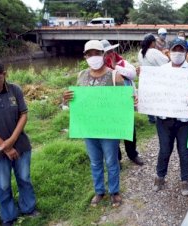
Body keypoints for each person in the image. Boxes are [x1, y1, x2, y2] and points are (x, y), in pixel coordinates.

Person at [63, 40, 125, 208]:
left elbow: (123, 103)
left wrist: (130, 101)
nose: (93, 57)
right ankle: (99, 191)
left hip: (109, 128)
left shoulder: (114, 75)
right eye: (89, 54)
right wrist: (67, 99)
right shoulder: (81, 75)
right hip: (89, 127)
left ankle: (114, 191)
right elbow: (76, 101)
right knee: (95, 161)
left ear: (103, 54)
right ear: (85, 56)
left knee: (111, 161)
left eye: (96, 53)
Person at [0, 58, 37, 226]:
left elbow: (23, 115)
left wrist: (11, 141)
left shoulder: (15, 90)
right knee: (3, 185)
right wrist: (5, 147)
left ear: (5, 74)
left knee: (24, 178)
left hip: (21, 145)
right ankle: (9, 217)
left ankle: (29, 208)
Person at [152, 38, 188, 196]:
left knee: (184, 151)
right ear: (168, 52)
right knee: (164, 150)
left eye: (181, 50)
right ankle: (160, 176)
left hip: (185, 120)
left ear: (186, 52)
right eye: (174, 50)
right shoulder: (160, 71)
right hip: (164, 119)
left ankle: (185, 181)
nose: (177, 53)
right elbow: (152, 92)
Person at [101, 39, 144, 166]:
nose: (110, 54)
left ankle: (132, 154)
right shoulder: (101, 69)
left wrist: (116, 67)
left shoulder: (122, 62)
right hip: (109, 105)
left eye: (111, 51)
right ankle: (117, 159)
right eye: (106, 53)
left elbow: (132, 75)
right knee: (114, 131)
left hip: (125, 102)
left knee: (129, 130)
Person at [138, 33, 170, 123]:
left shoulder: (140, 52)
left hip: (146, 79)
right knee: (158, 98)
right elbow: (166, 61)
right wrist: (166, 54)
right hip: (157, 79)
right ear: (152, 42)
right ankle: (160, 116)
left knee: (149, 99)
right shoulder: (153, 51)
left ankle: (151, 118)